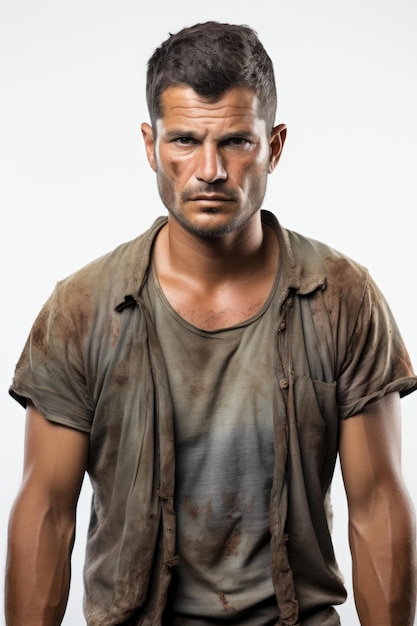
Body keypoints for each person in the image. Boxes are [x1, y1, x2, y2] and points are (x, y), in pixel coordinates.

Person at [4, 20, 417, 626]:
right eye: (184, 141)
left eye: (235, 142)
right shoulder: (82, 308)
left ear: (273, 146)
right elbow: (47, 508)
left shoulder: (340, 298)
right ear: (151, 145)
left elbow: (377, 503)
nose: (209, 170)